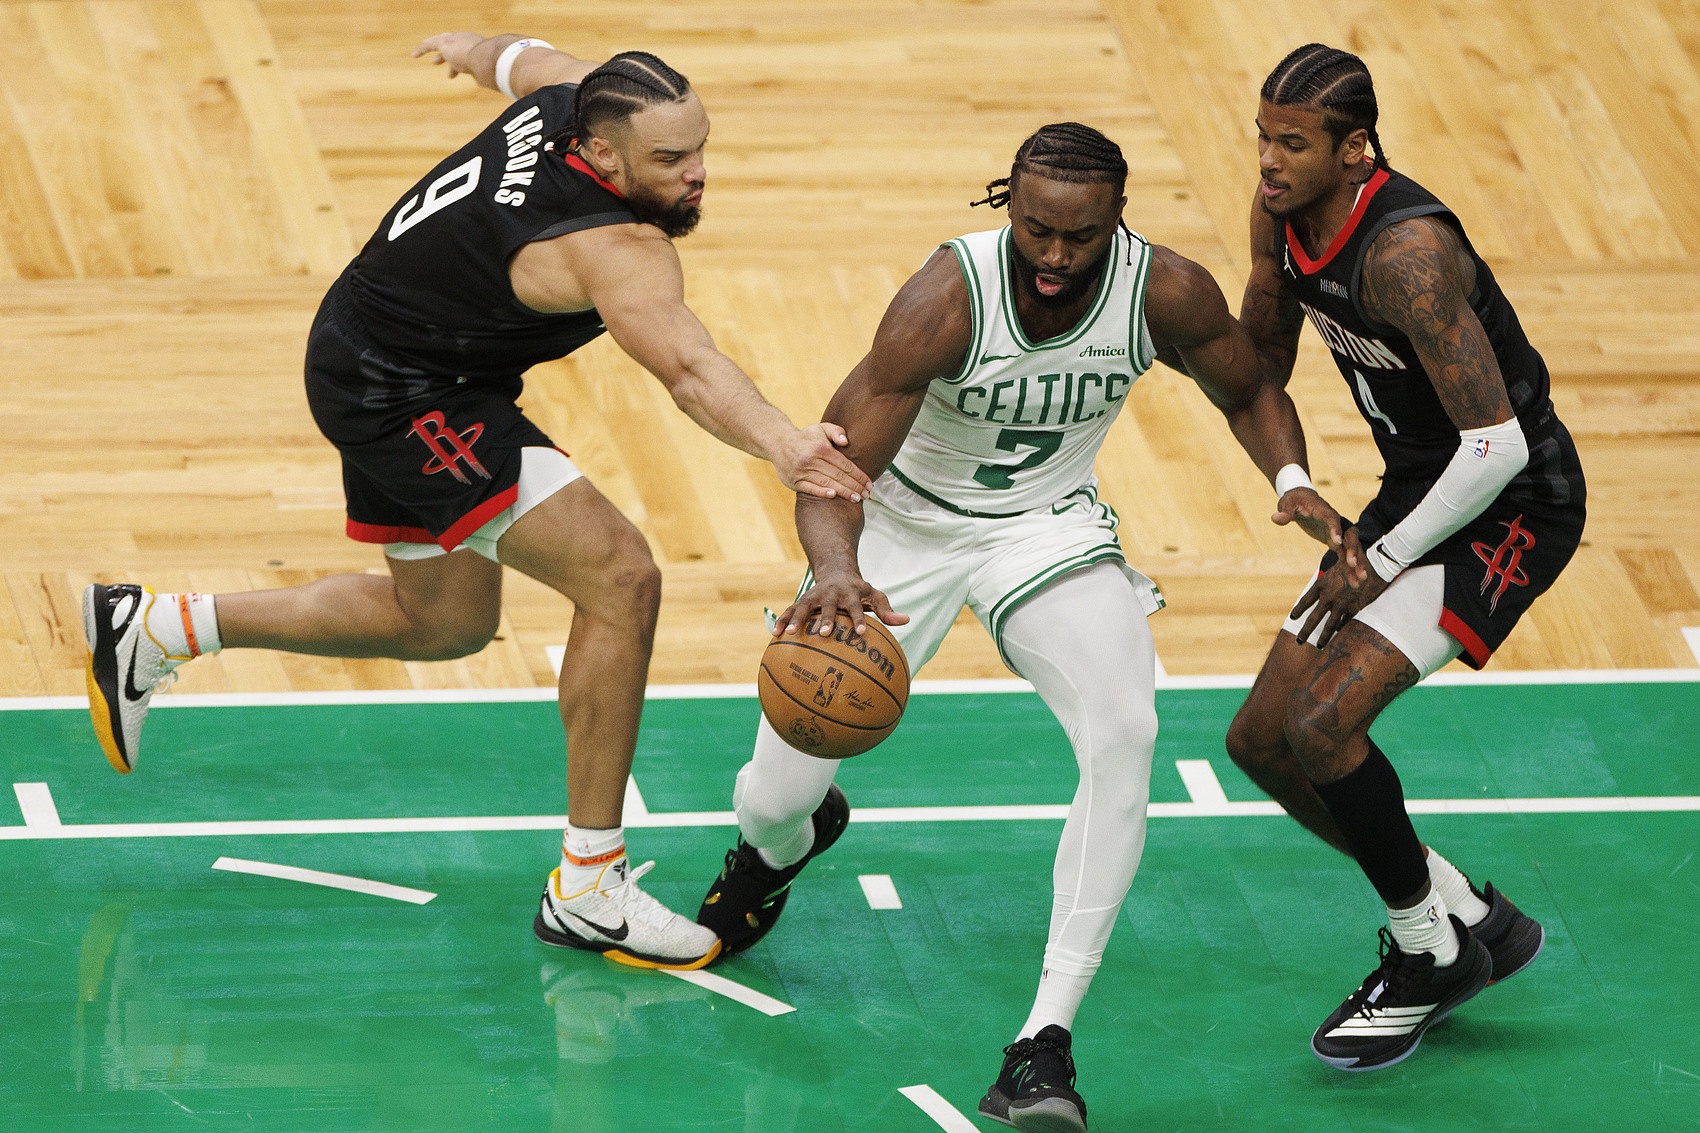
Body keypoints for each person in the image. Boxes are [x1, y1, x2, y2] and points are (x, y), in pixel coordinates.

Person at [80, 31, 872, 973]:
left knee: (443, 620)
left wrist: (470, 48)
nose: (697, 173)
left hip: (371, 342)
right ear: (602, 153)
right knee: (621, 577)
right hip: (405, 392)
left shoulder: (575, 97)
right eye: (670, 160)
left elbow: (524, 58)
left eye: (701, 147)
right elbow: (691, 370)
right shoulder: (614, 246)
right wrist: (784, 443)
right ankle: (590, 886)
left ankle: (156, 628)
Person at [693, 123, 1343, 1132]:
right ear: (1007, 203)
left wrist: (1289, 475)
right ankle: (776, 846)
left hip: (1045, 528)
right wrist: (838, 571)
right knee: (777, 789)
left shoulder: (1162, 289)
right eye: (1036, 229)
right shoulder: (945, 300)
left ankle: (1042, 1041)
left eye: (1079, 237)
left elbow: (1250, 383)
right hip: (898, 527)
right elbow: (831, 468)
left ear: (1117, 218)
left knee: (1125, 731)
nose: (1053, 254)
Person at [1223, 43, 1587, 1072]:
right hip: (1421, 489)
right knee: (1260, 740)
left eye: (1293, 143)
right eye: (1262, 137)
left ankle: (1430, 951)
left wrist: (1380, 556)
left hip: (1512, 506)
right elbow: (1260, 367)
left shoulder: (1405, 255)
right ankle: (1466, 911)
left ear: (1355, 150)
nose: (1269, 161)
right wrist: (1290, 474)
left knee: (1322, 721)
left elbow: (1497, 445)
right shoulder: (1280, 218)